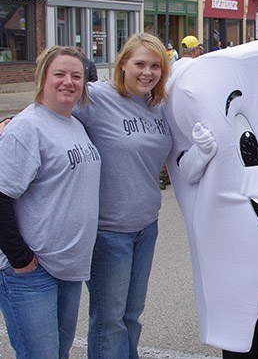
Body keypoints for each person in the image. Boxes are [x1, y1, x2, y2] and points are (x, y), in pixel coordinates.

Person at [73, 33, 173, 358]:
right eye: (140, 64)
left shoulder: (158, 107)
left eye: (155, 66)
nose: (148, 72)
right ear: (123, 65)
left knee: (131, 315)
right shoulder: (98, 97)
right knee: (108, 320)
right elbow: (48, 106)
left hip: (146, 227)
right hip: (109, 232)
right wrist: (9, 123)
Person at [0, 46, 101, 358]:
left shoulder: (74, 124)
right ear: (42, 78)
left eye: (76, 76)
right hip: (33, 271)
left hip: (68, 268)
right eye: (59, 74)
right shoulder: (27, 127)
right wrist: (21, 260)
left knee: (58, 352)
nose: (68, 82)